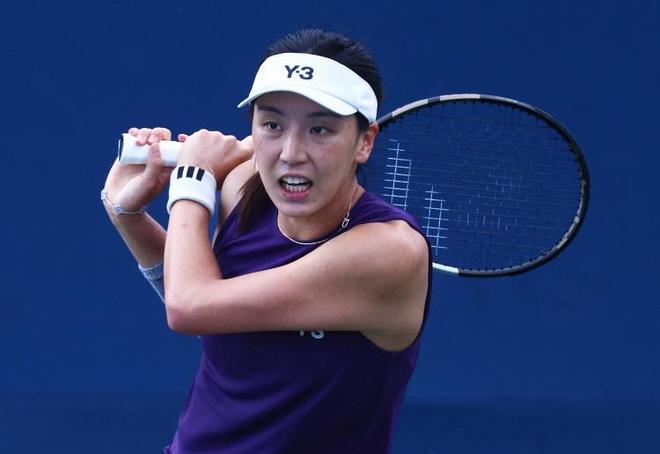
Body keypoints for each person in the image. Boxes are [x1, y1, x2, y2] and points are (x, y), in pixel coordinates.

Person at [102, 29, 432, 454]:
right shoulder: (242, 186)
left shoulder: (388, 253)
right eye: (272, 125)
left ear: (364, 142)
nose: (291, 153)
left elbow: (190, 307)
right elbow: (218, 309)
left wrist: (192, 180)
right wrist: (127, 215)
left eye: (319, 130)